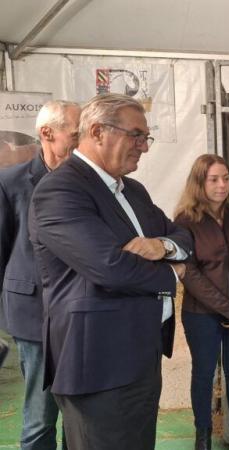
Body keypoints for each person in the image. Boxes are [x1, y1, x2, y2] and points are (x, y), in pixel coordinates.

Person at [28, 93, 193, 450]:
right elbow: (111, 267)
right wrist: (174, 273)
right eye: (136, 135)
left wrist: (162, 247)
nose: (143, 147)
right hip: (98, 365)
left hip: (139, 355)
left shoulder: (133, 191)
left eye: (145, 137)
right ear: (98, 131)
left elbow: (182, 234)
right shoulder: (60, 190)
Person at [0, 99, 80, 450]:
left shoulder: (88, 182)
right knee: (39, 417)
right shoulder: (11, 182)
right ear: (47, 133)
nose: (83, 140)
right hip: (33, 316)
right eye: (76, 133)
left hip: (80, 315)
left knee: (78, 417)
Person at [174, 154, 229, 450]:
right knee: (202, 373)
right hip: (201, 315)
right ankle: (203, 435)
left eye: (225, 178)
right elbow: (190, 274)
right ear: (199, 182)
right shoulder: (185, 221)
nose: (222, 184)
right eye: (214, 179)